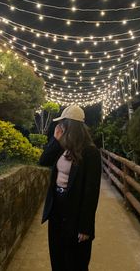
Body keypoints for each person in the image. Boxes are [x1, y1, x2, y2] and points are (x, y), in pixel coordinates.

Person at [39, 104, 101, 271]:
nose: (60, 127)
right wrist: (56, 139)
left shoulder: (90, 152)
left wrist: (85, 227)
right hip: (56, 210)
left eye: (63, 124)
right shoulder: (62, 147)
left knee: (76, 262)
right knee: (57, 257)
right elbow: (43, 161)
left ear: (70, 126)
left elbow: (91, 191)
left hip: (76, 212)